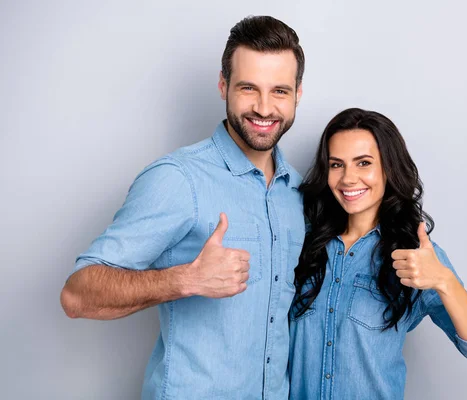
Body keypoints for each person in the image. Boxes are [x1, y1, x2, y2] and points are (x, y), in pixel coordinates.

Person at [60, 16, 306, 399]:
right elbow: (77, 295)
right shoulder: (178, 179)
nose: (263, 107)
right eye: (247, 88)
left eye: (279, 91)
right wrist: (186, 279)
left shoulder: (297, 194)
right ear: (223, 85)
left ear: (297, 94)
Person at [288, 108, 467, 400]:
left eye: (363, 163)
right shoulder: (304, 244)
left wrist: (444, 281)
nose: (348, 179)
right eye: (336, 165)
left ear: (388, 168)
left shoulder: (415, 256)